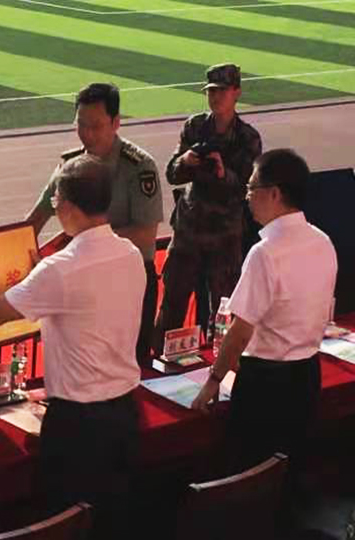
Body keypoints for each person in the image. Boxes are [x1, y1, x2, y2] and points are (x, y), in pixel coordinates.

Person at [0, 156, 145, 539]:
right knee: (115, 522)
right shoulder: (130, 255)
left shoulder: (61, 270)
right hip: (125, 415)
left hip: (79, 427)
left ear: (66, 205)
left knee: (66, 523)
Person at [192, 149, 337, 475]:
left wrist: (213, 380)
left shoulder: (266, 253)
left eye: (251, 188)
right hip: (306, 375)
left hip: (265, 385)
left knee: (252, 473)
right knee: (291, 469)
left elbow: (240, 331)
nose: (247, 197)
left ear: (274, 194)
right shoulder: (323, 242)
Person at [25, 83, 162, 363]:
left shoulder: (138, 167)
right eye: (81, 125)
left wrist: (85, 244)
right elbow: (35, 220)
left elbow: (145, 235)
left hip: (128, 281)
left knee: (130, 365)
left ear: (116, 122)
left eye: (96, 126)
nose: (87, 134)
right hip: (83, 284)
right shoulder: (71, 167)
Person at [154, 64, 262, 355]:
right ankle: (161, 362)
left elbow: (247, 190)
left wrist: (222, 173)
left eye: (222, 91)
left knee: (224, 308)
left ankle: (221, 364)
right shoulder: (194, 127)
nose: (215, 97)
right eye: (211, 91)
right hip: (189, 229)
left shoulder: (248, 138)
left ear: (236, 92)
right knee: (173, 302)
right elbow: (172, 174)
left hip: (225, 234)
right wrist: (187, 160)